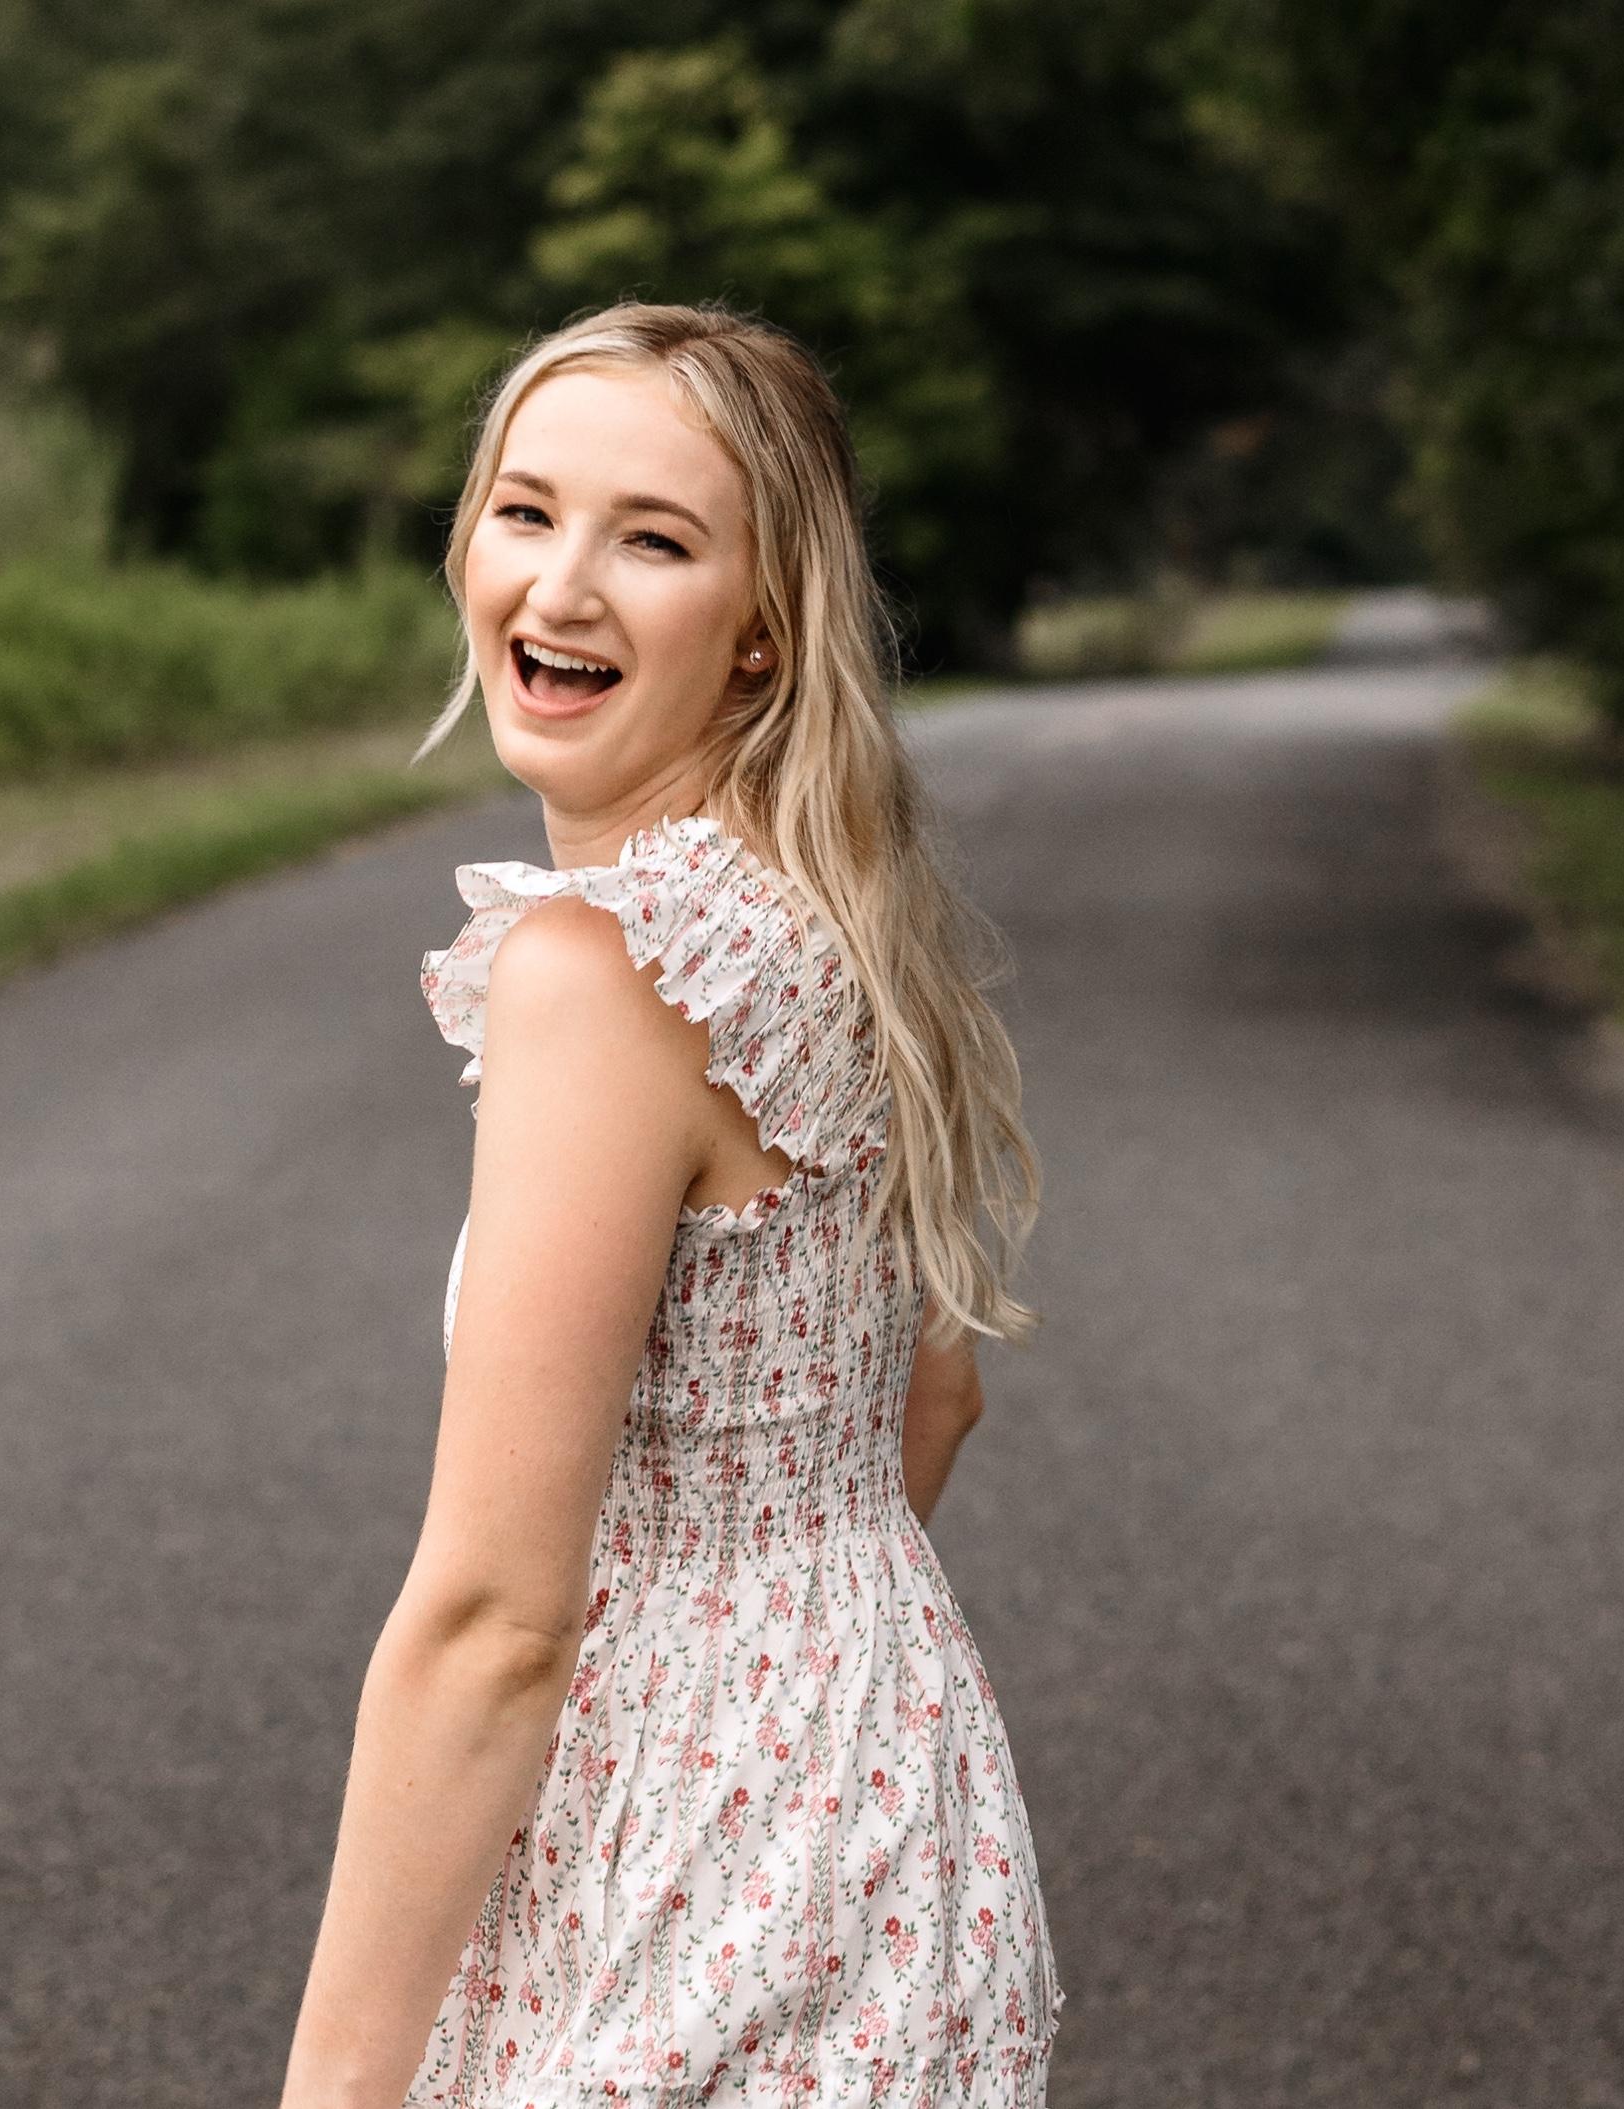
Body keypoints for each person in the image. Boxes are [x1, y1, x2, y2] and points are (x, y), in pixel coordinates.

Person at [279, 300, 1063, 2107]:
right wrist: (778, 1668)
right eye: (525, 510)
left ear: (762, 623)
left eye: (651, 539)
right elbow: (930, 1398)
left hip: (698, 1879)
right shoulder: (832, 915)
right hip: (897, 1821)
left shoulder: (608, 972)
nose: (558, 587)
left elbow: (496, 1621)